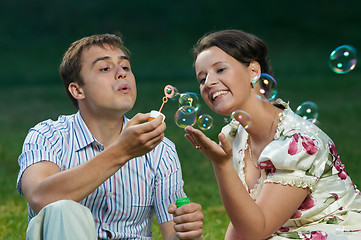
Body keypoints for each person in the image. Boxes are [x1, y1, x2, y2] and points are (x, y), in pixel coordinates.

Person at [17, 33, 204, 240]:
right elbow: (40, 197)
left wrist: (186, 231)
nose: (121, 73)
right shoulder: (48, 135)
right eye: (105, 68)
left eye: (125, 67)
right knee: (62, 210)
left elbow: (172, 235)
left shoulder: (160, 149)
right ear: (77, 90)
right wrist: (122, 151)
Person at [184, 29, 361, 239]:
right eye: (202, 79)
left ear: (253, 72)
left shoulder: (299, 142)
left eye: (220, 69)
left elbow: (255, 231)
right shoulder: (235, 134)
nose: (209, 83)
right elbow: (242, 221)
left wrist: (221, 165)